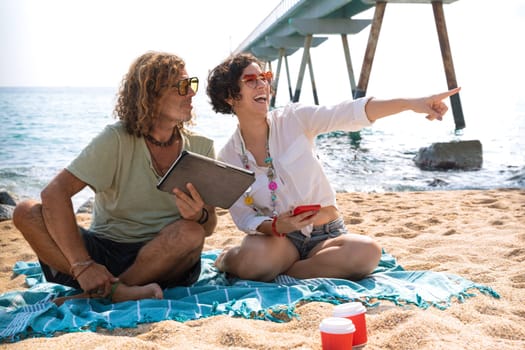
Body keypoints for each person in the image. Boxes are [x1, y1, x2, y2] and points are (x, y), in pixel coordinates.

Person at [206, 52, 460, 282]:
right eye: (251, 79)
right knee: (258, 262)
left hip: (326, 234)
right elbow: (244, 215)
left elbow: (349, 112)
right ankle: (229, 258)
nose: (263, 84)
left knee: (367, 253)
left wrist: (410, 103)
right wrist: (275, 226)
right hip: (279, 239)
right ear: (229, 96)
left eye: (265, 77)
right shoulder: (229, 155)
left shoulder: (294, 118)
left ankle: (290, 270)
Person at [13, 51, 217, 303]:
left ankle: (101, 294)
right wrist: (83, 265)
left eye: (192, 84)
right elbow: (55, 192)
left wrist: (199, 216)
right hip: (103, 252)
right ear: (151, 94)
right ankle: (115, 291)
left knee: (191, 233)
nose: (192, 92)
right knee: (25, 211)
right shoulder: (116, 139)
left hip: (164, 258)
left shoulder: (201, 148)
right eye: (183, 86)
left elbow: (208, 227)